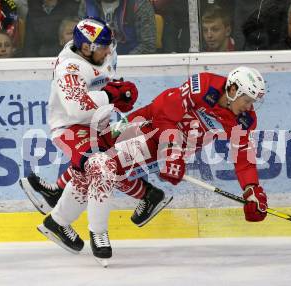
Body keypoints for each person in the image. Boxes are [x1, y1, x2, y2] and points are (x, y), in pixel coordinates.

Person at [22, 66, 269, 233]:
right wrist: (171, 150)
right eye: (247, 100)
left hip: (155, 145)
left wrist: (252, 189)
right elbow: (165, 110)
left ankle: (64, 217)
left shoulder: (244, 120)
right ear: (233, 90)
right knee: (99, 143)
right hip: (152, 120)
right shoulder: (205, 86)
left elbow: (244, 157)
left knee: (108, 166)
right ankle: (60, 190)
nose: (249, 108)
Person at [22, 16, 172, 265]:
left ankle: (56, 222)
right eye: (103, 46)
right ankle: (99, 233)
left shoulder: (105, 53)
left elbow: (111, 83)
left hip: (100, 124)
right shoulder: (68, 68)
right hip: (70, 129)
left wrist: (121, 91)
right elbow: (77, 110)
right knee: (101, 168)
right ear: (86, 48)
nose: (108, 50)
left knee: (92, 171)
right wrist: (109, 96)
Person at [79, 0, 157, 55]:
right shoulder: (86, 4)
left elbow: (148, 45)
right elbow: (81, 41)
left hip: (131, 64)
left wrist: (120, 62)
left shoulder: (139, 4)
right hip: (97, 63)